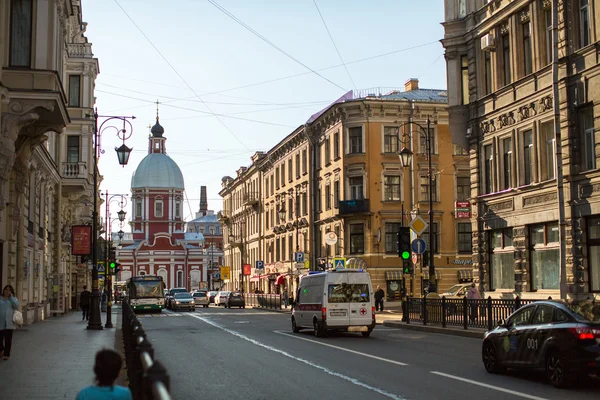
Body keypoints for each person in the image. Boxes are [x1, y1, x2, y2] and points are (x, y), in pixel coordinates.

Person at [0, 284, 20, 360]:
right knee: (0, 338)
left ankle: (6, 354)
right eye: (6, 289)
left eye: (9, 290)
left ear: (11, 292)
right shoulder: (0, 299)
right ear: (3, 290)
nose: (7, 291)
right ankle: (1, 349)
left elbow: (16, 306)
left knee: (8, 339)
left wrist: (11, 297)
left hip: (9, 323)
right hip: (0, 322)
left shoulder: (13, 299)